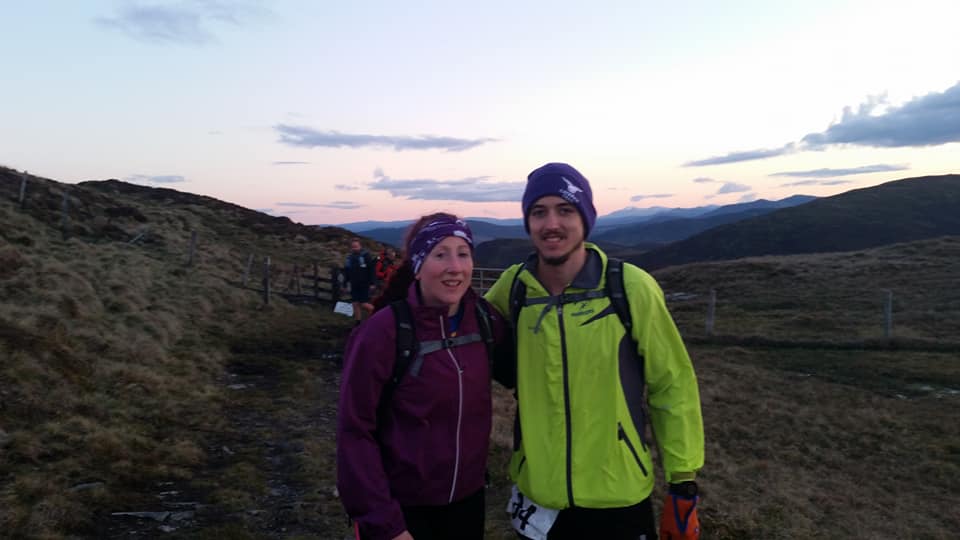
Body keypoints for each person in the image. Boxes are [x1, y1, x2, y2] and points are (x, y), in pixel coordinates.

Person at [484, 163, 705, 540]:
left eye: (565, 210)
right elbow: (462, 338)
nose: (551, 224)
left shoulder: (629, 287)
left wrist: (682, 482)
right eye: (539, 212)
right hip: (538, 495)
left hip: (617, 497)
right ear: (527, 222)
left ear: (586, 218)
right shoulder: (515, 287)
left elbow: (672, 384)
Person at [337, 213, 511, 540]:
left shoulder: (484, 320)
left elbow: (527, 375)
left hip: (468, 502)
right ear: (417, 266)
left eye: (463, 253)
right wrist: (385, 523)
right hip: (402, 509)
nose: (455, 267)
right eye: (440, 254)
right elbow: (354, 431)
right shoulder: (382, 332)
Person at [344, 239, 376, 323]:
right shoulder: (349, 258)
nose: (354, 248)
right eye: (353, 247)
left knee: (363, 304)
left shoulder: (366, 256)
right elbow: (347, 271)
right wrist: (345, 283)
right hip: (354, 284)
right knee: (355, 304)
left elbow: (371, 270)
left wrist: (372, 283)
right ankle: (358, 322)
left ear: (360, 246)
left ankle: (376, 315)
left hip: (364, 284)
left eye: (356, 246)